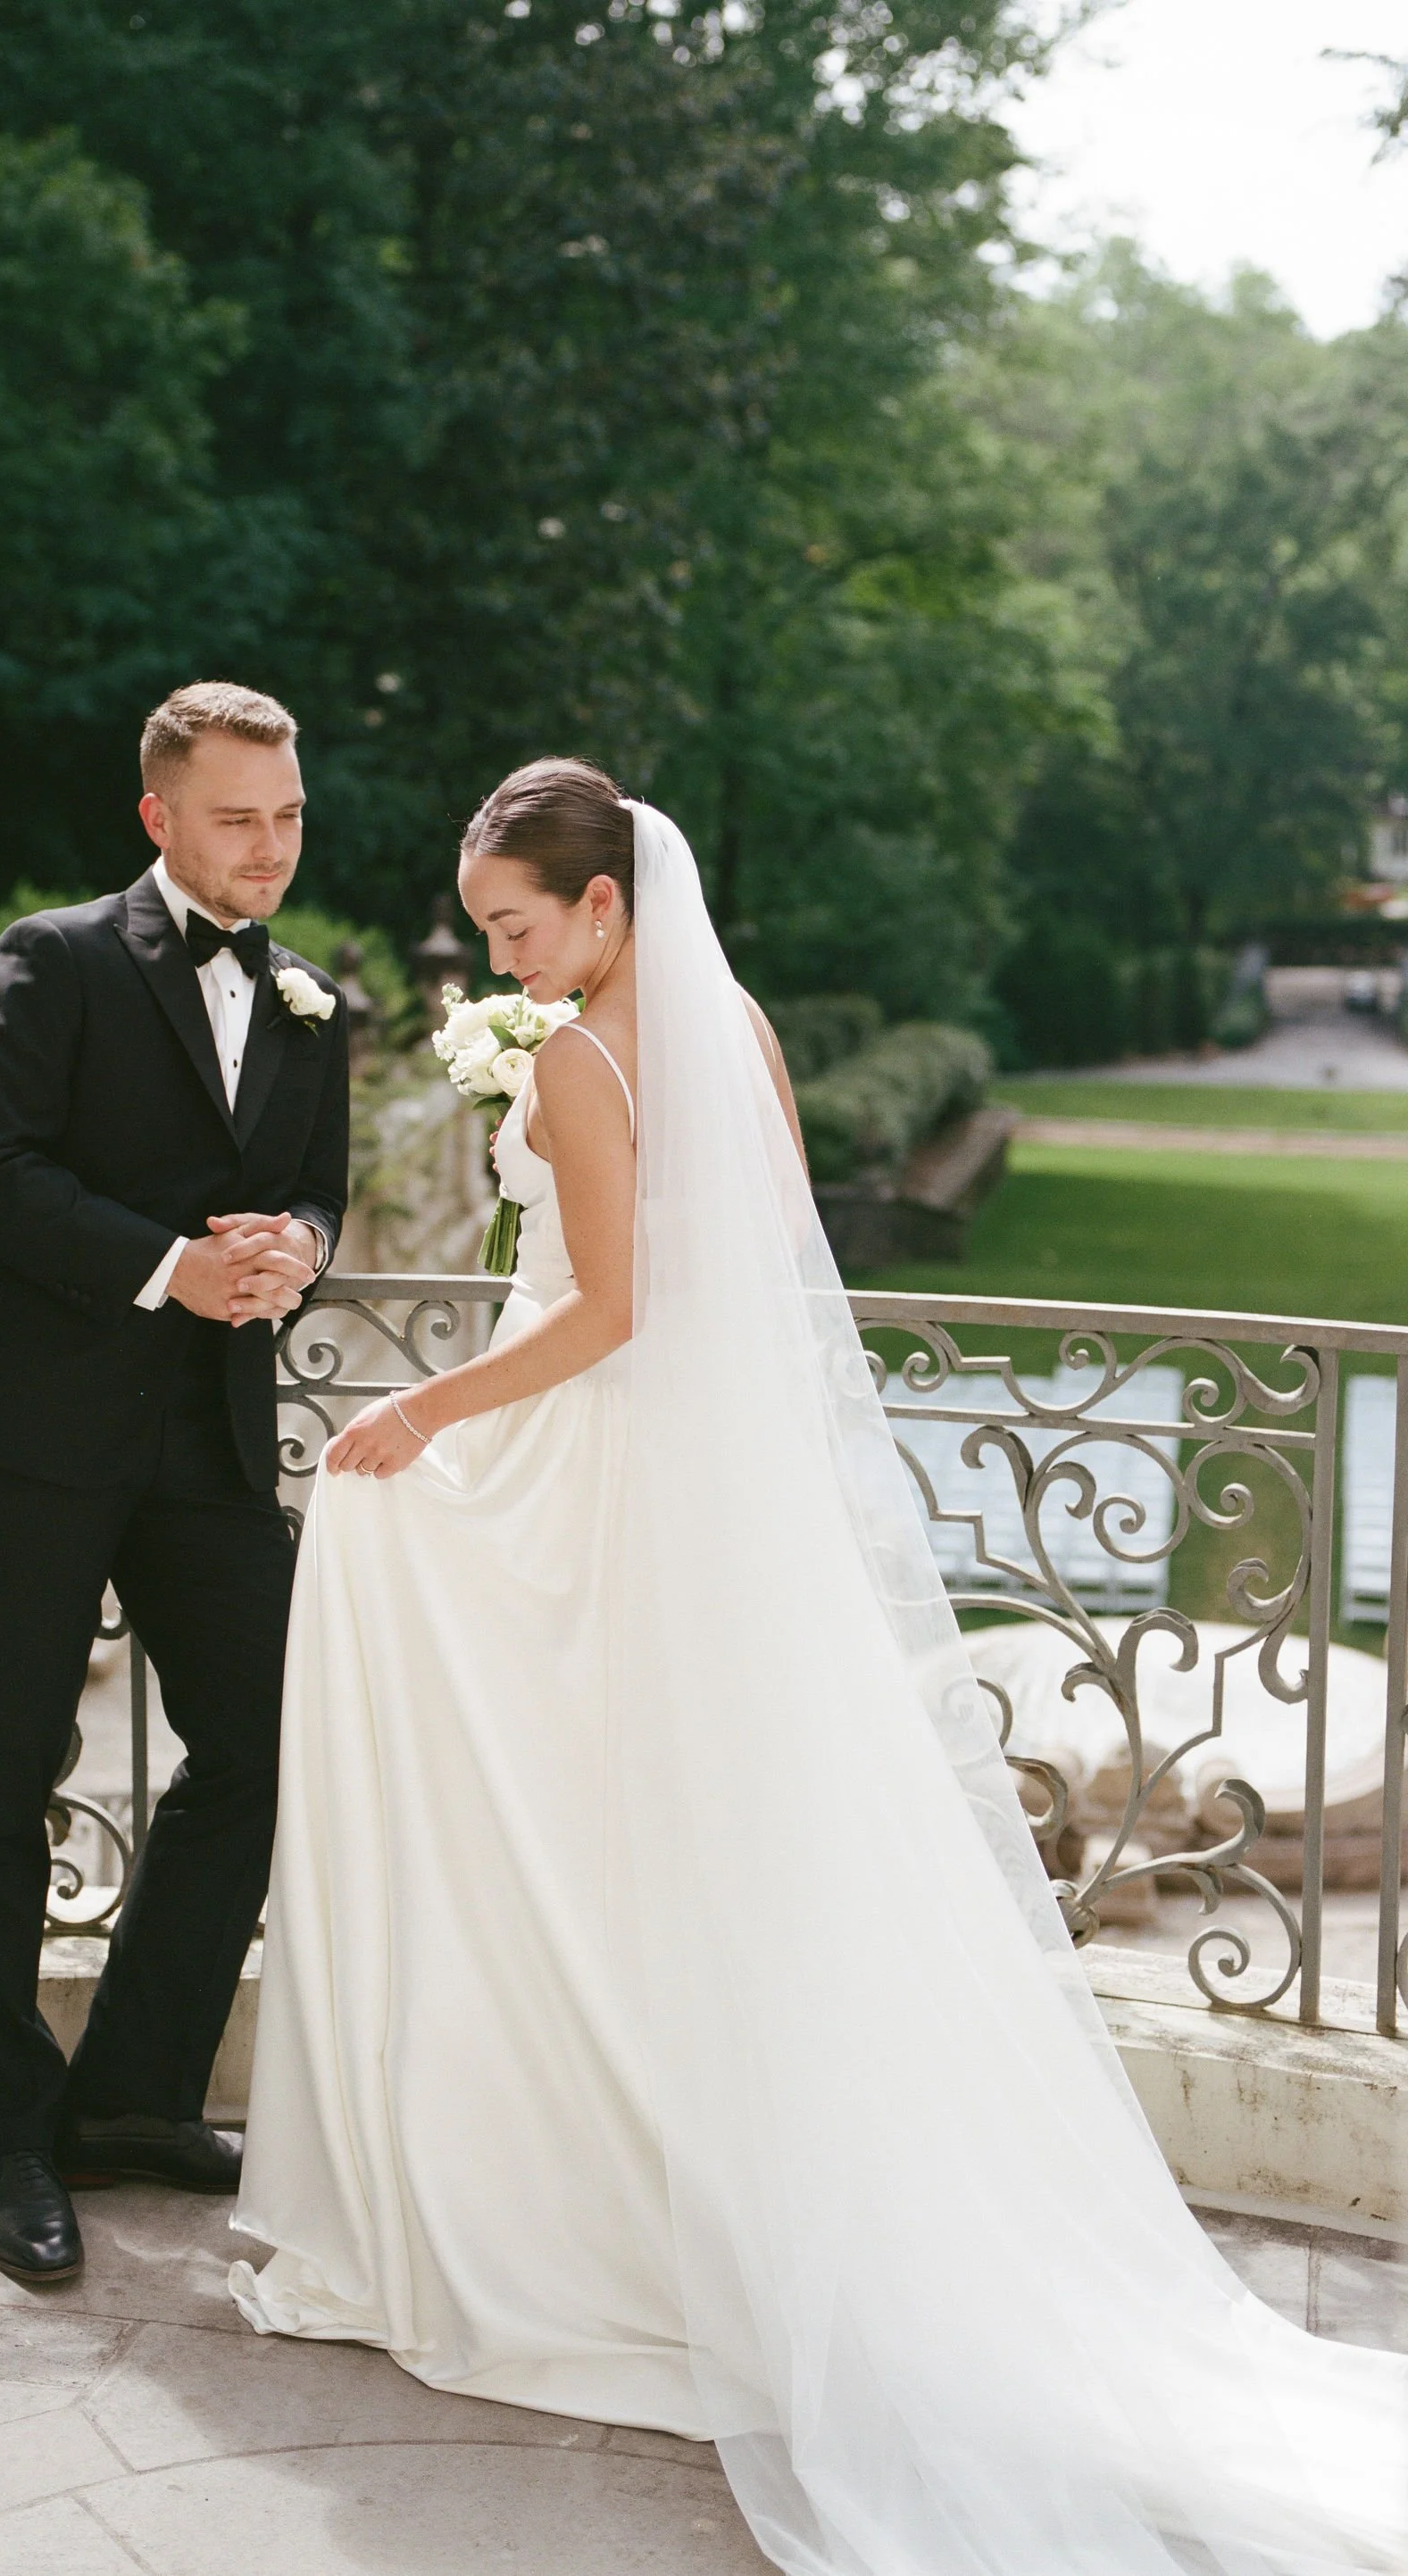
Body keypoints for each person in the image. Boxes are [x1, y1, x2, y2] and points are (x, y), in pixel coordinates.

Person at [231, 760, 1408, 2573]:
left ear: (604, 905)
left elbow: (609, 1311)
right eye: (492, 933)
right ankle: (672, 2195)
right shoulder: (726, 1027)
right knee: (687, 1855)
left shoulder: (576, 1056)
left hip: (606, 1470)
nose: (507, 958)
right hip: (699, 1485)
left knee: (520, 1752)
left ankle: (567, 2197)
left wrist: (416, 1410)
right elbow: (759, 1270)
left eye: (518, 925)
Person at [0, 680, 348, 2286]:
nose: (271, 845)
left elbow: (314, 1192)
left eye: (291, 813)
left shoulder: (315, 997)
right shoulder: (56, 956)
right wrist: (173, 1264)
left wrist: (294, 1248)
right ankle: (12, 2139)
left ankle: (133, 2095)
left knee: (270, 1733)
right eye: (238, 816)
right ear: (159, 817)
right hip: (33, 1435)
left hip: (211, 1444)